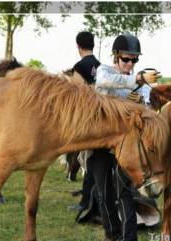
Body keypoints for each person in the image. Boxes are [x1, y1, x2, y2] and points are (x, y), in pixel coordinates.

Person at [88, 32, 161, 241]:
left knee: (124, 192)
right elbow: (104, 83)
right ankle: (111, 233)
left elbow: (149, 111)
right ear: (116, 57)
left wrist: (143, 106)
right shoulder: (104, 72)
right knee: (102, 192)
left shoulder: (143, 87)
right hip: (100, 143)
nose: (130, 64)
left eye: (134, 60)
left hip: (127, 147)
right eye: (126, 59)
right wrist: (136, 81)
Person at [67, 31, 101, 217]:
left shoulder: (79, 67)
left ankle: (86, 201)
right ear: (93, 45)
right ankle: (87, 199)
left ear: (78, 46)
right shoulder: (101, 66)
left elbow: (75, 96)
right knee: (91, 161)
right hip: (101, 118)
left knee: (88, 161)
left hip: (86, 120)